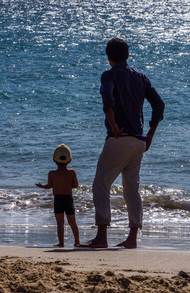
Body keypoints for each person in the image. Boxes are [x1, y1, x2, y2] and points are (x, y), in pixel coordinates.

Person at [84, 38, 165, 249]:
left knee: (101, 183)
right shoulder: (141, 78)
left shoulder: (109, 75)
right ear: (127, 55)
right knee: (131, 189)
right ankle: (132, 238)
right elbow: (159, 104)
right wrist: (150, 134)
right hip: (139, 140)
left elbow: (107, 95)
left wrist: (113, 124)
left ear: (108, 57)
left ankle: (102, 237)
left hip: (119, 138)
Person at [36, 144, 81, 247]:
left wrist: (41, 186)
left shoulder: (52, 173)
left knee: (60, 223)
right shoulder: (72, 172)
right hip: (68, 199)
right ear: (70, 160)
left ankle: (61, 243)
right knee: (72, 222)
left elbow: (49, 186)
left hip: (58, 199)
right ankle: (77, 241)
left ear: (54, 160)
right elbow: (75, 186)